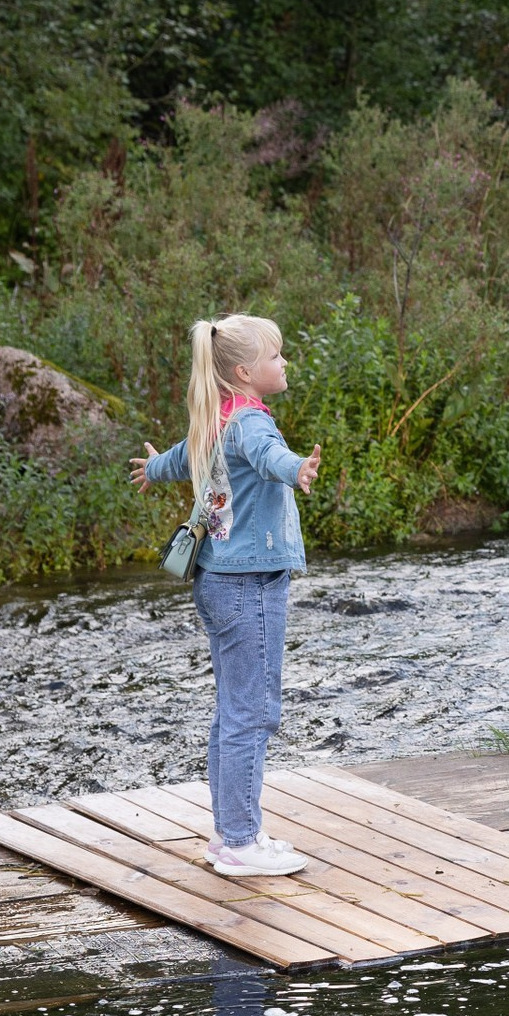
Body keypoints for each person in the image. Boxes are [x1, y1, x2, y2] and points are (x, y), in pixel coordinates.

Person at [130, 314, 322, 877]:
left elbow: (178, 457)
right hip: (249, 585)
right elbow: (270, 457)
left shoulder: (216, 416)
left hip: (216, 581)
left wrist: (153, 470)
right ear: (245, 371)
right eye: (276, 357)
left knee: (233, 711)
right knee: (253, 711)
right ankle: (240, 842)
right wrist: (299, 469)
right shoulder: (251, 424)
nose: (284, 364)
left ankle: (234, 833)